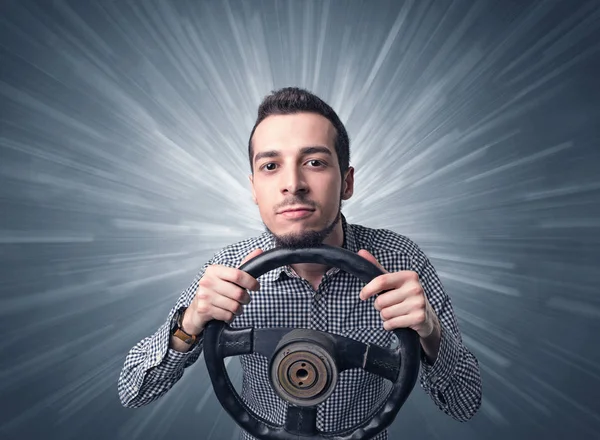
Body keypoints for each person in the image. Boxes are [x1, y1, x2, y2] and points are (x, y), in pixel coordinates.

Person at [118, 87, 482, 439]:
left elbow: (465, 404)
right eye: (271, 165)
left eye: (314, 162)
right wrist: (190, 324)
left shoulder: (400, 261)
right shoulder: (228, 270)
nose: (293, 184)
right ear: (254, 188)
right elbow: (133, 391)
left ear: (347, 182)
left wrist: (430, 333)